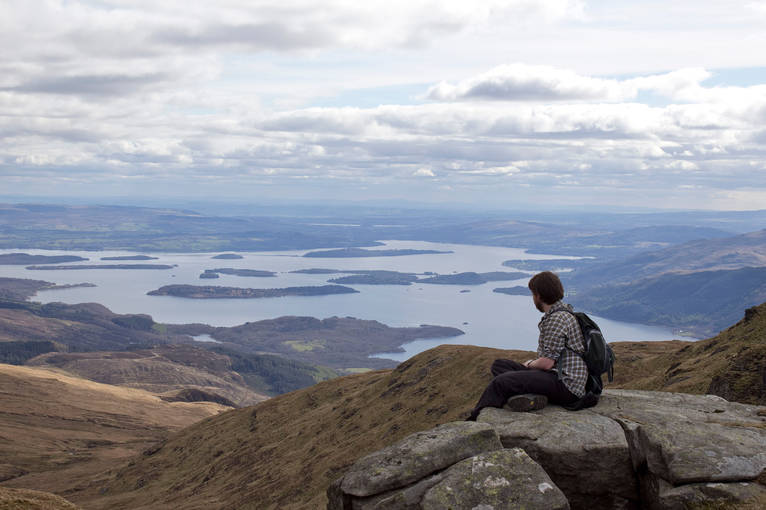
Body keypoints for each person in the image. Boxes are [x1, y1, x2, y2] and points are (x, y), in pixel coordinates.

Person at [466, 271, 588, 421]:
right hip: (558, 376)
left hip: (566, 385)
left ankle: (475, 422)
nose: (533, 298)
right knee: (499, 365)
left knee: (501, 382)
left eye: (533, 294)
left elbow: (547, 363)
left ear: (539, 295)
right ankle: (532, 397)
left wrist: (529, 364)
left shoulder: (557, 319)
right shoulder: (563, 312)